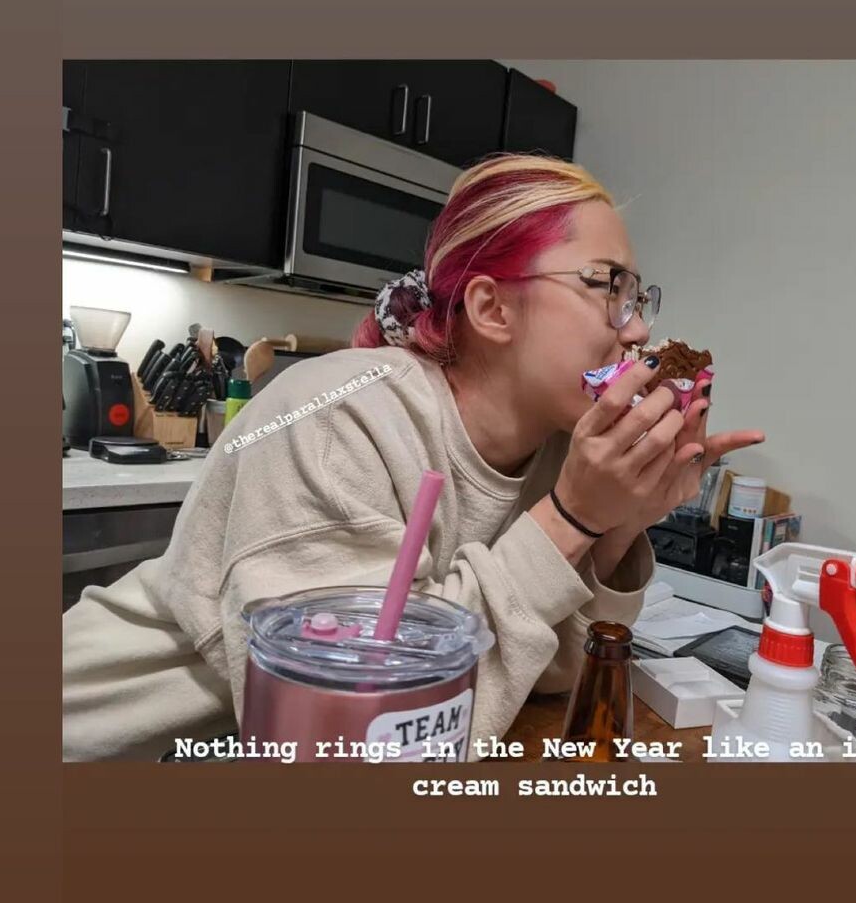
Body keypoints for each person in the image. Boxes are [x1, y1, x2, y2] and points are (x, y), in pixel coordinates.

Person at [62, 153, 764, 761]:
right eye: (608, 286)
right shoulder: (337, 415)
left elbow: (540, 677)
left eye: (637, 297)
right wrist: (572, 517)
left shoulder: (559, 453)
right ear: (492, 309)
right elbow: (357, 727)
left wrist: (615, 524)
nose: (636, 330)